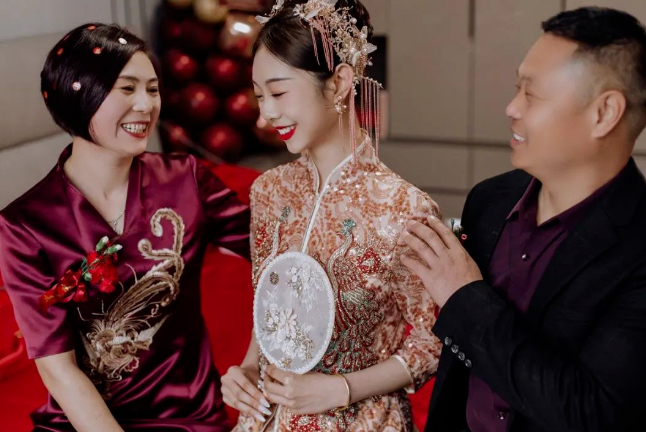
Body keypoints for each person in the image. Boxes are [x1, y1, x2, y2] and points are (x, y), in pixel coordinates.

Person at [400, 7, 646, 432]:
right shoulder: (489, 201)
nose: (512, 108)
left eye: (532, 95)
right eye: (517, 88)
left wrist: (463, 296)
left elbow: (591, 410)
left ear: (604, 113)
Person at [0, 23, 250, 432]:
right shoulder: (25, 225)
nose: (146, 105)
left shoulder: (185, 179)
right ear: (79, 95)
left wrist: (257, 361)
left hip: (184, 418)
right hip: (80, 421)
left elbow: (282, 257)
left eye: (152, 89)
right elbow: (59, 369)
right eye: (127, 89)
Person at [221, 1, 443, 431]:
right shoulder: (269, 192)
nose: (266, 113)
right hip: (265, 419)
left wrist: (342, 389)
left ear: (339, 82)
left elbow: (432, 342)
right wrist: (246, 371)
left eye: (278, 93)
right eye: (260, 96)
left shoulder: (403, 208)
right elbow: (270, 310)